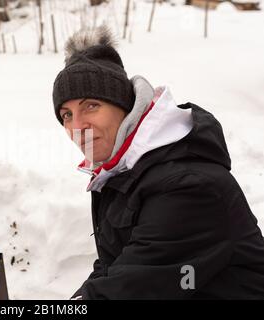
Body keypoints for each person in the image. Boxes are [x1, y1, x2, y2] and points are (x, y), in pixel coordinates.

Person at [52, 25, 264, 299]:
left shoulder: (187, 185)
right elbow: (113, 268)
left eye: (91, 106)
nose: (77, 126)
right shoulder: (123, 174)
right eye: (66, 115)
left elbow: (133, 287)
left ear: (126, 107)